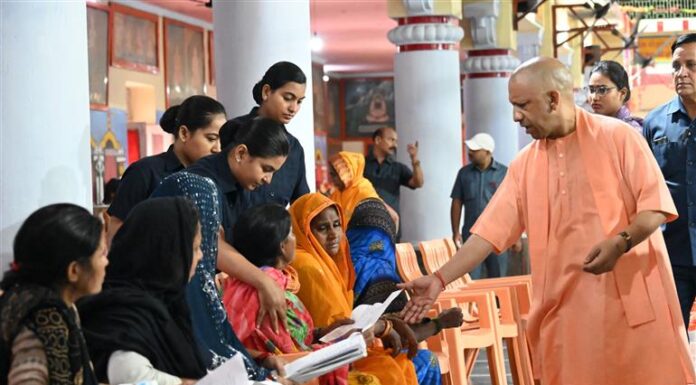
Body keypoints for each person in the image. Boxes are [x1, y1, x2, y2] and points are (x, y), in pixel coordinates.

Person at [400, 57, 695, 385]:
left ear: (554, 99)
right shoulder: (525, 165)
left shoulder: (619, 138)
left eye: (522, 105)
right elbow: (487, 234)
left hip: (631, 306)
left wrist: (621, 241)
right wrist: (439, 279)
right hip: (566, 315)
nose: (515, 117)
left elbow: (654, 207)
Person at [151, 117, 292, 382]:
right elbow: (211, 247)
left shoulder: (246, 186)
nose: (268, 179)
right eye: (266, 168)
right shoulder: (198, 185)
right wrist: (263, 281)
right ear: (241, 153)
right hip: (180, 289)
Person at [289, 193, 443, 385]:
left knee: (414, 361)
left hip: (346, 350)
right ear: (303, 230)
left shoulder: (336, 263)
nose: (333, 234)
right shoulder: (310, 266)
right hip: (329, 360)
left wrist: (381, 326)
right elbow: (335, 335)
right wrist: (381, 327)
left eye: (337, 225)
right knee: (415, 364)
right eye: (322, 228)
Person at [78, 197, 206, 385]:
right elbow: (129, 375)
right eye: (194, 248)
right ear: (166, 254)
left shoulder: (168, 302)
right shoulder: (120, 313)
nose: (201, 256)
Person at [223, 203, 353, 385]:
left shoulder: (242, 281)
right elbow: (290, 357)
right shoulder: (269, 293)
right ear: (282, 246)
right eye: (292, 233)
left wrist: (323, 332)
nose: (296, 239)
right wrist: (344, 346)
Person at [0, 204, 108, 384]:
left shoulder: (35, 300)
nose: (106, 262)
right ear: (74, 271)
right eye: (102, 254)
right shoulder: (45, 321)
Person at [106, 95, 226, 243]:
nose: (218, 148)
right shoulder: (145, 172)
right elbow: (117, 231)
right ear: (184, 133)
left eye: (222, 140)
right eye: (211, 139)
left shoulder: (213, 179)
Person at [643, 33, 696, 331]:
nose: (682, 73)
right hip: (671, 253)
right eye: (676, 66)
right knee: (670, 338)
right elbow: (645, 186)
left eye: (691, 65)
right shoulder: (655, 123)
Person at [220, 61, 309, 207]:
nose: (293, 108)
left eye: (299, 101)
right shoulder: (234, 130)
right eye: (287, 98)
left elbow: (301, 204)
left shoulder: (294, 149)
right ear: (266, 92)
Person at [450, 133, 519, 279]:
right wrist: (455, 232)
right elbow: (456, 202)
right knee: (470, 278)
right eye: (470, 149)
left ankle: (498, 303)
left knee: (498, 278)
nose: (470, 153)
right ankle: (472, 304)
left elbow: (513, 205)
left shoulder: (504, 173)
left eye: (475, 150)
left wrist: (516, 236)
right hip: (471, 236)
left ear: (487, 152)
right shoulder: (464, 173)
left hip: (498, 236)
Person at [364, 127, 423, 241]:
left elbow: (418, 183)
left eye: (396, 141)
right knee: (371, 256)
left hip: (390, 228)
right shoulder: (361, 165)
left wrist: (414, 160)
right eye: (391, 140)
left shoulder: (398, 168)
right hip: (366, 227)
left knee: (388, 257)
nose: (395, 145)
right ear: (377, 140)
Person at [329, 151, 398, 225]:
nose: (332, 179)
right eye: (331, 174)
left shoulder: (363, 192)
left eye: (335, 175)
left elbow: (394, 217)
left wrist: (385, 236)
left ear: (349, 174)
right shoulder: (337, 194)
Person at [587, 60, 643, 130]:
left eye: (602, 90)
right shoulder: (591, 127)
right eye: (592, 90)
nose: (594, 97)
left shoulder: (632, 130)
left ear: (622, 93)